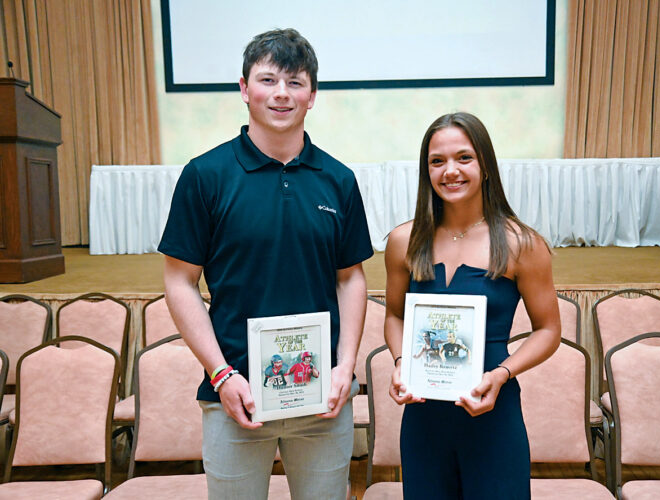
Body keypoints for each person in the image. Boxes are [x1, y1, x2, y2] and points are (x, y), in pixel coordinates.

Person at [159, 28, 373, 500]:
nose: (281, 93)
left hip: (321, 399)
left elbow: (351, 278)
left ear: (312, 96)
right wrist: (220, 373)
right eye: (268, 80)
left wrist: (345, 366)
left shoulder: (338, 179)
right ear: (244, 88)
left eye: (295, 82)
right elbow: (179, 282)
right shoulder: (205, 175)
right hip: (236, 397)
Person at [384, 112, 560, 499]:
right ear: (426, 170)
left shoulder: (521, 243)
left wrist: (502, 374)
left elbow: (549, 330)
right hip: (424, 416)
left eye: (464, 158)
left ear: (485, 164)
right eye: (437, 161)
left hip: (493, 409)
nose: (451, 171)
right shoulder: (403, 241)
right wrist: (400, 362)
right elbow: (395, 315)